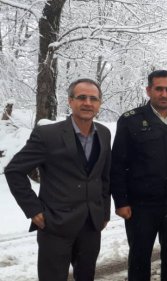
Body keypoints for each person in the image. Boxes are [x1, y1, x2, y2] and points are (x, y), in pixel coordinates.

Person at [5, 78, 111, 281]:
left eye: (93, 98)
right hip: (55, 225)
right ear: (70, 101)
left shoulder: (104, 134)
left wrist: (104, 212)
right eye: (81, 97)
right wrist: (33, 210)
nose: (88, 103)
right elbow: (14, 171)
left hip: (91, 225)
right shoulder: (48, 134)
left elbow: (104, 177)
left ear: (99, 103)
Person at [110, 70, 167, 281]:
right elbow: (118, 164)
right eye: (159, 89)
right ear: (149, 90)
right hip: (141, 206)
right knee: (140, 259)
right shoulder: (131, 120)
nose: (164, 94)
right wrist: (120, 201)